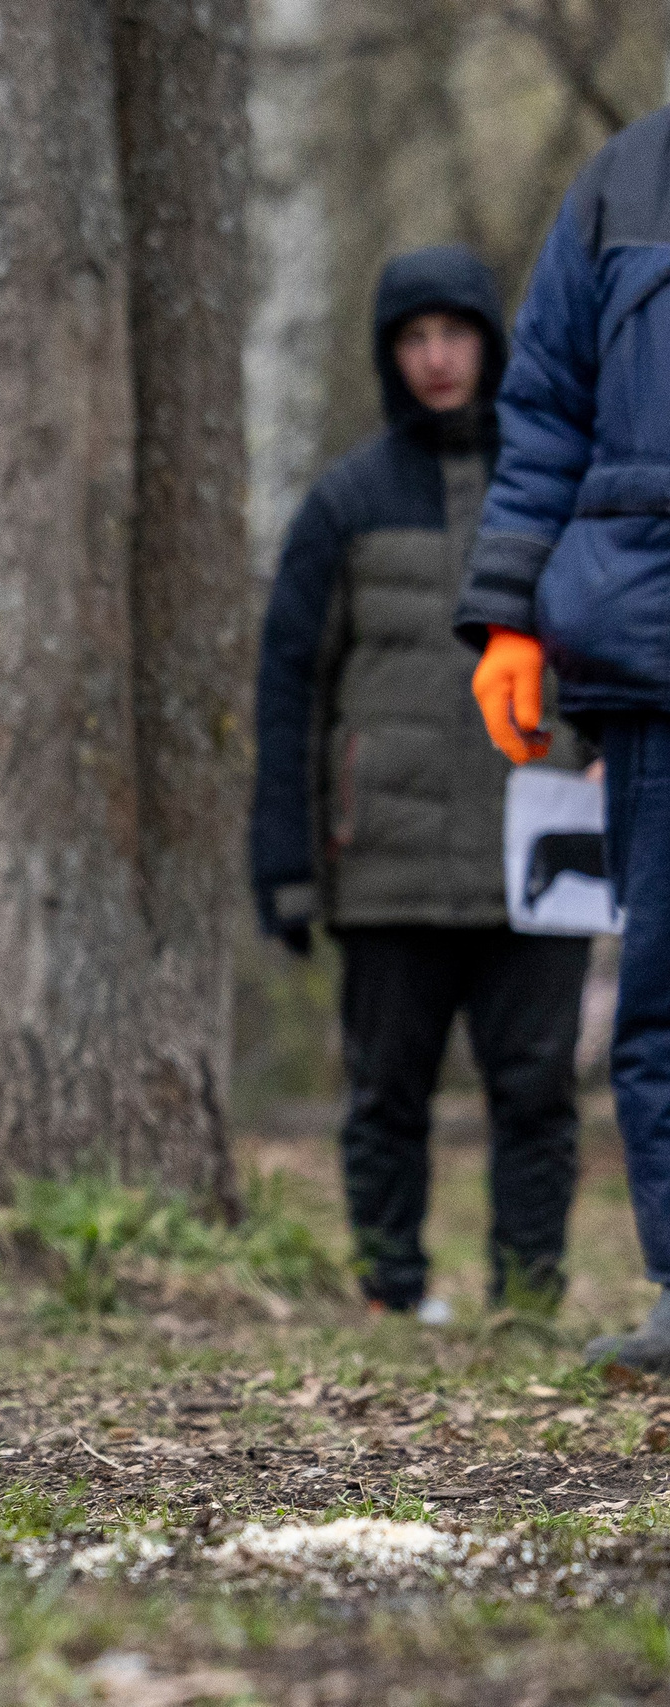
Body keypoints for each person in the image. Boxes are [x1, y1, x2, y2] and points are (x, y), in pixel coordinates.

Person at [254, 246, 588, 1320]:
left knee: (534, 1094)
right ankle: (390, 1290)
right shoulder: (343, 503)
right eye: (412, 337)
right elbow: (288, 689)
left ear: (491, 343)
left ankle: (527, 1298)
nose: (435, 358)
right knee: (385, 1094)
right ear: (386, 353)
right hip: (385, 867)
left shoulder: (556, 490)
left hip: (535, 855)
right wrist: (287, 866)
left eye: (454, 333)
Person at [455, 108, 670, 1367]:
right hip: (650, 649)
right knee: (664, 991)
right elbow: (542, 412)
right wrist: (509, 616)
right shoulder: (620, 183)